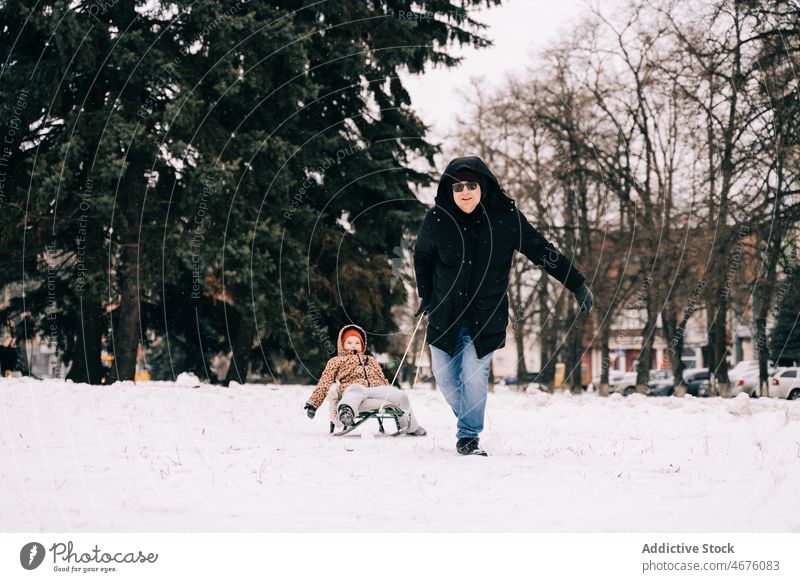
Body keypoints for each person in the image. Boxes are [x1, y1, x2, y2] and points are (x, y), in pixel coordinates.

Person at [413, 156, 593, 456]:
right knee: (444, 379)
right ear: (449, 190)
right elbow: (422, 257)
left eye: (472, 185)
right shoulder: (438, 219)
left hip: (484, 316)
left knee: (473, 375)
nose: (465, 192)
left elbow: (540, 250)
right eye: (458, 187)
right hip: (445, 314)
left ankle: (469, 436)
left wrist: (575, 282)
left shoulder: (505, 217)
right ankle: (471, 416)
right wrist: (425, 294)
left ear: (483, 185)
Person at [303, 323, 427, 436]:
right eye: (349, 342)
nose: (354, 346)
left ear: (362, 345)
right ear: (342, 344)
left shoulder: (371, 360)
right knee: (355, 389)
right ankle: (346, 411)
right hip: (354, 388)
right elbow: (325, 382)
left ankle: (411, 427)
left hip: (376, 390)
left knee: (401, 395)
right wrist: (313, 405)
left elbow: (382, 379)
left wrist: (389, 390)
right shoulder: (336, 361)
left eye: (357, 343)